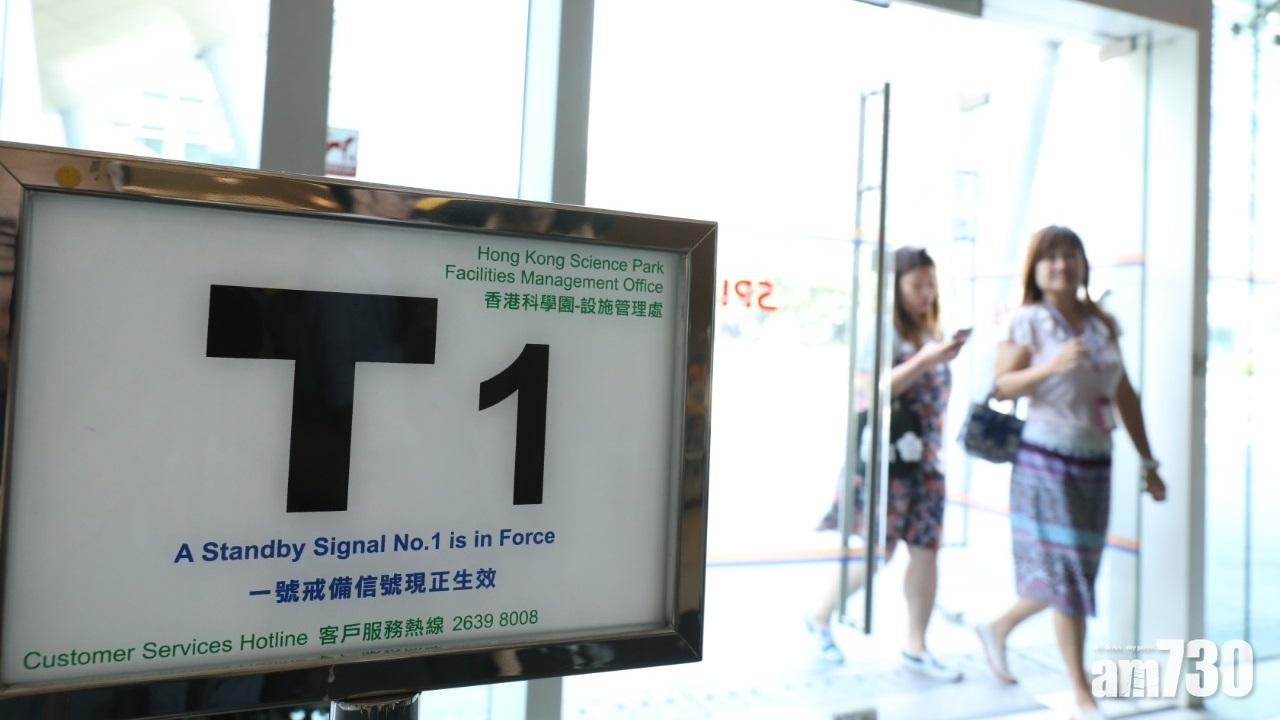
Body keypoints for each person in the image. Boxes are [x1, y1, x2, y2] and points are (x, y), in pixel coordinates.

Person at [972, 226, 1166, 720]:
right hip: (1044, 461)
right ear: (1035, 269)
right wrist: (1052, 366)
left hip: (1096, 461)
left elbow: (1125, 395)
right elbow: (1001, 386)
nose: (1061, 265)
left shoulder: (1102, 324)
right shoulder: (1027, 320)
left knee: (1078, 573)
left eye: (1070, 255)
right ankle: (1082, 695)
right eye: (1051, 257)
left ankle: (998, 628)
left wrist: (1149, 462)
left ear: (1083, 264)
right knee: (1069, 579)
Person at [807, 246, 968, 681]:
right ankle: (820, 615)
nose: (925, 293)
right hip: (889, 461)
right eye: (916, 285)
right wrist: (926, 359)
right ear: (895, 287)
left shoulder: (930, 331)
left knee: (926, 549)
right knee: (880, 549)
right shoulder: (881, 330)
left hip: (927, 460)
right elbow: (868, 392)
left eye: (930, 284)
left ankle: (917, 645)